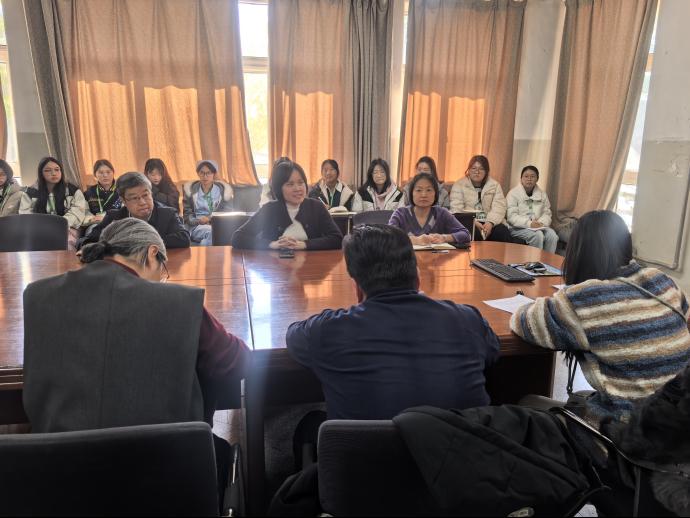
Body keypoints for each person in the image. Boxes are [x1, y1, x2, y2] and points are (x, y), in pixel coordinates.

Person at [22, 217, 250, 503]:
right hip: (163, 480)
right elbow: (236, 361)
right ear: (153, 253)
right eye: (163, 270)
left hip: (58, 479)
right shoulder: (177, 302)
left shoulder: (38, 296)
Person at [286, 223, 500, 420]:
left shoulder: (327, 330)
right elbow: (492, 352)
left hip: (365, 450)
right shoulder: (468, 320)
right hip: (459, 447)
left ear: (357, 289)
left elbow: (293, 337)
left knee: (310, 423)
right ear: (418, 279)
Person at [511, 210, 690, 430]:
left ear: (578, 252)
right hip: (679, 424)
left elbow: (523, 321)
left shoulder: (585, 297)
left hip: (629, 435)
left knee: (528, 401)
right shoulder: (663, 281)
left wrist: (557, 298)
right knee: (583, 396)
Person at [231, 160, 342, 250]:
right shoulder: (269, 209)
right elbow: (238, 238)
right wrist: (271, 244)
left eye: (301, 182)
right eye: (290, 184)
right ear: (279, 188)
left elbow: (337, 238)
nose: (297, 189)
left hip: (311, 267)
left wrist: (304, 244)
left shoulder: (316, 207)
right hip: (274, 268)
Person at [79, 172, 190, 249]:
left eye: (145, 195)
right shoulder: (114, 217)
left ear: (151, 193)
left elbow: (184, 238)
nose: (142, 202)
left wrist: (137, 241)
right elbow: (85, 241)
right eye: (134, 198)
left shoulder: (167, 213)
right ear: (123, 200)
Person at [19, 157, 88, 249]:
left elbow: (77, 211)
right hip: (40, 230)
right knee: (35, 246)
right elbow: (26, 215)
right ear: (41, 173)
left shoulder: (72, 190)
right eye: (48, 170)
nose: (54, 173)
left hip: (67, 228)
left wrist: (59, 224)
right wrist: (44, 227)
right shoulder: (30, 193)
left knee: (66, 244)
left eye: (57, 169)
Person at [389, 172, 470, 247]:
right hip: (407, 257)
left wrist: (444, 238)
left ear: (435, 193)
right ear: (411, 193)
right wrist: (415, 240)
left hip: (436, 257)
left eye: (429, 190)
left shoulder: (442, 213)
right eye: (419, 190)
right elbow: (389, 237)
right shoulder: (401, 214)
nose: (424, 195)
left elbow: (465, 234)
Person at [449, 155, 511, 242]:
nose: (477, 172)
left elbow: (499, 207)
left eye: (481, 169)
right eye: (473, 168)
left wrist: (490, 222)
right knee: (473, 232)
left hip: (490, 221)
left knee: (503, 232)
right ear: (469, 170)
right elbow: (457, 209)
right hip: (469, 221)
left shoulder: (494, 185)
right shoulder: (459, 185)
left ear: (486, 171)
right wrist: (473, 222)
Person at [506, 165, 559, 253]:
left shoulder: (542, 194)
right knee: (537, 236)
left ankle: (547, 261)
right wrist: (529, 224)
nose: (529, 179)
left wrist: (541, 223)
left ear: (537, 179)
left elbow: (547, 213)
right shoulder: (513, 194)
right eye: (526, 176)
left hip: (538, 226)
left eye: (532, 176)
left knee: (552, 236)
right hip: (517, 228)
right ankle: (534, 260)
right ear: (521, 179)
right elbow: (511, 216)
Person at [182, 159, 234, 246]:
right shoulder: (190, 190)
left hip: (217, 225)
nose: (205, 176)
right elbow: (187, 214)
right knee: (212, 232)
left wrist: (210, 218)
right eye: (202, 173)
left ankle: (202, 251)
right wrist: (198, 221)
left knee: (212, 234)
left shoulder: (223, 191)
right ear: (198, 173)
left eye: (208, 173)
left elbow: (227, 212)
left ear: (214, 174)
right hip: (196, 226)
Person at [83, 159, 122, 226]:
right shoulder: (88, 193)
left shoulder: (122, 190)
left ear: (113, 173)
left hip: (117, 223)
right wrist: (91, 219)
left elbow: (126, 211)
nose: (105, 175)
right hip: (95, 224)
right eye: (101, 173)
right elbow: (84, 212)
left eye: (108, 172)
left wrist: (107, 218)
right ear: (95, 175)